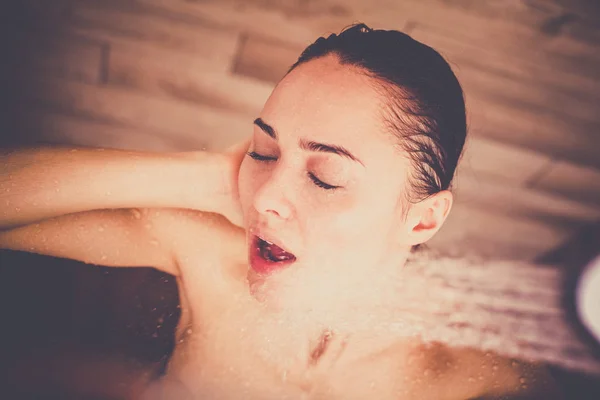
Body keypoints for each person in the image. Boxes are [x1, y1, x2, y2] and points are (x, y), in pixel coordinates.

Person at [0, 24, 561, 399]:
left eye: (325, 177)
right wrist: (195, 173)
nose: (265, 194)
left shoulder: (468, 374)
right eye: (263, 150)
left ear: (422, 220)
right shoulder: (207, 250)